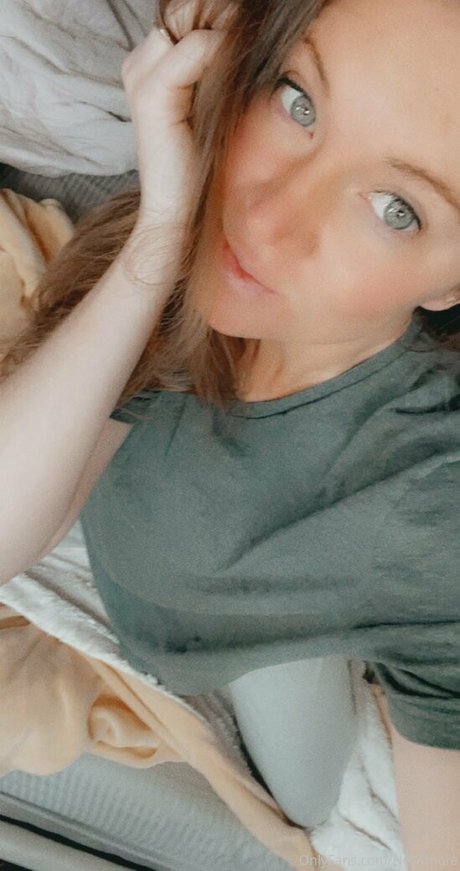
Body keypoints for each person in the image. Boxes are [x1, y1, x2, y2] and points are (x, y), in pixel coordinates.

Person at [0, 0, 459, 861]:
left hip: (260, 670)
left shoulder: (431, 508)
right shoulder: (189, 245)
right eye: (298, 100)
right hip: (135, 562)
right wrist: (161, 231)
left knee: (308, 782)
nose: (267, 217)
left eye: (398, 209)